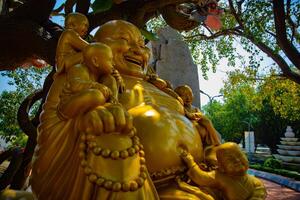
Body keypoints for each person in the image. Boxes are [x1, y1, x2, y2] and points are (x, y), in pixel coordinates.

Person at [31, 19, 256, 200]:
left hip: (196, 177)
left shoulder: (160, 85)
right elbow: (56, 128)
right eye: (123, 40)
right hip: (137, 184)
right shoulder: (88, 77)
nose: (139, 51)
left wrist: (203, 127)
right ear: (97, 48)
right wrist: (91, 117)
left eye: (141, 44)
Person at [179, 142, 267, 200]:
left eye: (239, 156)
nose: (237, 160)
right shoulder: (220, 176)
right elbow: (201, 177)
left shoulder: (256, 183)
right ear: (221, 167)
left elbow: (260, 194)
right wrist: (190, 162)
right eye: (230, 159)